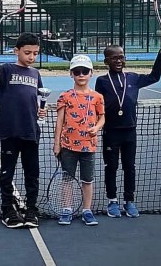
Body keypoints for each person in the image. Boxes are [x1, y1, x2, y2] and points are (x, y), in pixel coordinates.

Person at [95, 44, 161, 218]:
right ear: (107, 61)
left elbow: (154, 77)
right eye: (115, 58)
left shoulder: (133, 78)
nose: (119, 60)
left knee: (129, 167)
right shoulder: (102, 81)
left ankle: (129, 201)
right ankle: (112, 201)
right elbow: (96, 105)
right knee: (111, 166)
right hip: (111, 132)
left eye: (121, 57)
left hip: (130, 132)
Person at [0, 30, 46, 229]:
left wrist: (41, 112)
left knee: (32, 174)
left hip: (30, 132)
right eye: (28, 52)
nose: (32, 57)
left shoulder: (36, 74)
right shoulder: (7, 69)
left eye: (35, 53)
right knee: (7, 174)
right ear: (16, 51)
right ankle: (8, 210)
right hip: (9, 131)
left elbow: (39, 100)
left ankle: (31, 209)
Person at [53, 54, 105, 226]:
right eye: (77, 71)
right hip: (68, 146)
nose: (81, 75)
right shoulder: (65, 96)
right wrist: (57, 144)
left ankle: (87, 210)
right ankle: (67, 209)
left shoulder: (97, 97)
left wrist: (96, 128)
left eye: (84, 71)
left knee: (87, 180)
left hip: (88, 147)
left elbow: (102, 118)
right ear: (71, 74)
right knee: (67, 179)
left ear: (91, 73)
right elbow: (59, 121)